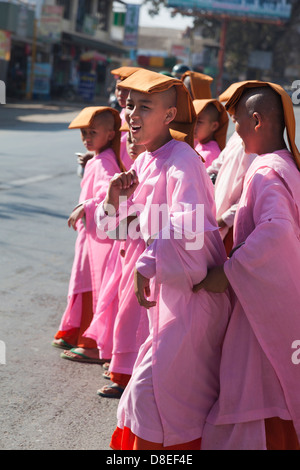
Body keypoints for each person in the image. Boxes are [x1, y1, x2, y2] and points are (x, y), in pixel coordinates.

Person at [94, 68, 231, 449]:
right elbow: (119, 229)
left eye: (144, 107)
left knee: (157, 393)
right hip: (167, 296)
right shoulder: (147, 160)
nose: (131, 115)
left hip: (190, 298)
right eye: (130, 106)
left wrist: (147, 263)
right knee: (153, 393)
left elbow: (189, 228)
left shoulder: (183, 159)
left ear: (170, 116)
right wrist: (114, 198)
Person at [194, 81, 300, 450]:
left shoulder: (266, 171)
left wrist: (230, 270)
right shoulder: (284, 164)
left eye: (237, 122)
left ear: (256, 121)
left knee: (250, 391)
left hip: (260, 307)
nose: (234, 132)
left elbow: (277, 231)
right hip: (278, 296)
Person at [52, 106, 125, 364]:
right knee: (83, 283)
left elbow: (109, 190)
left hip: (97, 239)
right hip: (89, 236)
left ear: (110, 134)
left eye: (93, 132)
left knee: (92, 286)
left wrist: (86, 205)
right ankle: (76, 334)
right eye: (84, 133)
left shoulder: (105, 160)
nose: (87, 138)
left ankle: (92, 344)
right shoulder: (97, 158)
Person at [97, 132, 149, 399]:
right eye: (127, 141)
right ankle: (121, 371)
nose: (131, 145)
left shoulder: (170, 164)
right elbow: (111, 225)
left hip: (150, 256)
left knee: (136, 318)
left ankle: (130, 376)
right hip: (128, 251)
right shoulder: (133, 172)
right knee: (126, 316)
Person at [193, 99, 229, 169]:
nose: (193, 126)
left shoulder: (210, 154)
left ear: (214, 126)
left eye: (199, 122)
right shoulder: (200, 145)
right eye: (193, 121)